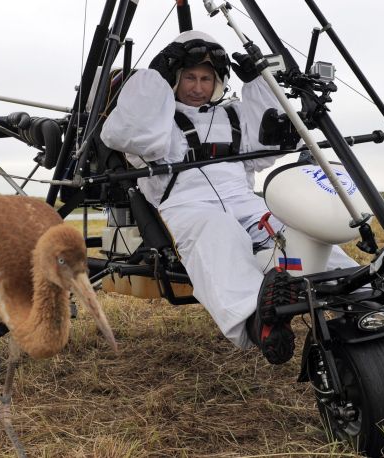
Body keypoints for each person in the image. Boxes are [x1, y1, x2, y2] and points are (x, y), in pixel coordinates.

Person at [101, 30, 357, 364]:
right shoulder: (156, 120)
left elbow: (268, 146)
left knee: (291, 228)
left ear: (218, 80)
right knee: (219, 231)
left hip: (244, 201)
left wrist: (260, 85)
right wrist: (153, 81)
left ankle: (358, 293)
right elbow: (127, 135)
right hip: (187, 207)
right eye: (188, 77)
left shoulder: (232, 114)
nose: (197, 87)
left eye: (206, 78)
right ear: (174, 78)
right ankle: (260, 319)